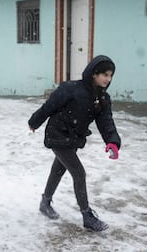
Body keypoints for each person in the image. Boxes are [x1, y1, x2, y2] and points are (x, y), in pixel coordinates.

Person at [28, 55, 121, 232]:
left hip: (73, 138)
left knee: (58, 169)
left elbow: (106, 122)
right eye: (105, 75)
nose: (108, 79)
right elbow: (49, 106)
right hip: (57, 135)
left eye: (110, 76)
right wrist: (34, 122)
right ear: (94, 74)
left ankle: (45, 202)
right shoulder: (70, 89)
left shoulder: (102, 98)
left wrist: (113, 142)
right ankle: (87, 216)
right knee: (79, 173)